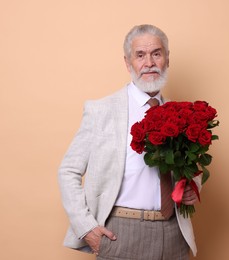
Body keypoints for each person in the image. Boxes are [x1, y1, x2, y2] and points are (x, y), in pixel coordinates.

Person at [58, 24, 201, 260]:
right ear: (128, 63)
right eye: (140, 55)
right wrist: (86, 228)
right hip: (121, 232)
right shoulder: (101, 110)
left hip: (175, 233)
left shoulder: (182, 116)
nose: (149, 63)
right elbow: (68, 171)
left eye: (156, 53)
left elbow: (190, 171)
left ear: (167, 59)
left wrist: (193, 189)